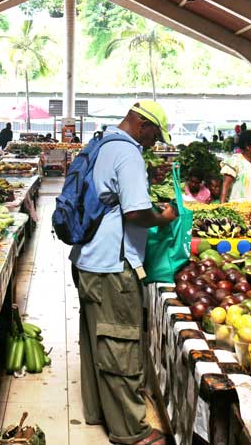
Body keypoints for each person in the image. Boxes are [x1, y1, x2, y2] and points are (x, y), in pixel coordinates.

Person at [71, 101, 177, 445]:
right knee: (120, 345)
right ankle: (131, 431)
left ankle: (99, 411)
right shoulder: (129, 154)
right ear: (142, 124)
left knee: (97, 341)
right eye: (155, 135)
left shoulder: (102, 142)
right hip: (112, 266)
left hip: (88, 258)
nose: (154, 143)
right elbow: (136, 214)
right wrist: (163, 218)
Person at [220, 130, 251, 203]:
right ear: (247, 146)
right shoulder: (234, 162)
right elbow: (225, 186)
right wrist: (222, 206)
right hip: (240, 206)